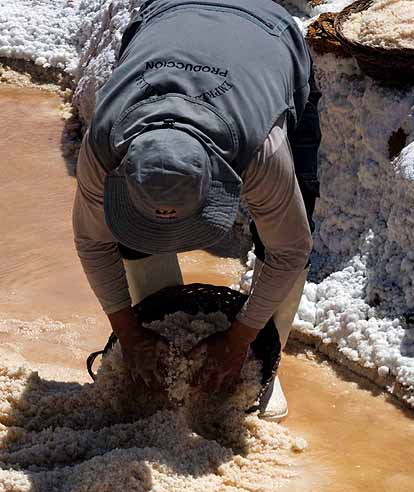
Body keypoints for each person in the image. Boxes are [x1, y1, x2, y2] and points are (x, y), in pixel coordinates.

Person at [72, 0, 318, 421]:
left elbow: (291, 249)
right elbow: (93, 242)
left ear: (218, 181)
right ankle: (156, 346)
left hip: (265, 32)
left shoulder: (260, 150)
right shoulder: (103, 145)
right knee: (123, 233)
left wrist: (240, 338)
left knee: (289, 222)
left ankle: (262, 362)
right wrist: (129, 334)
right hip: (166, 15)